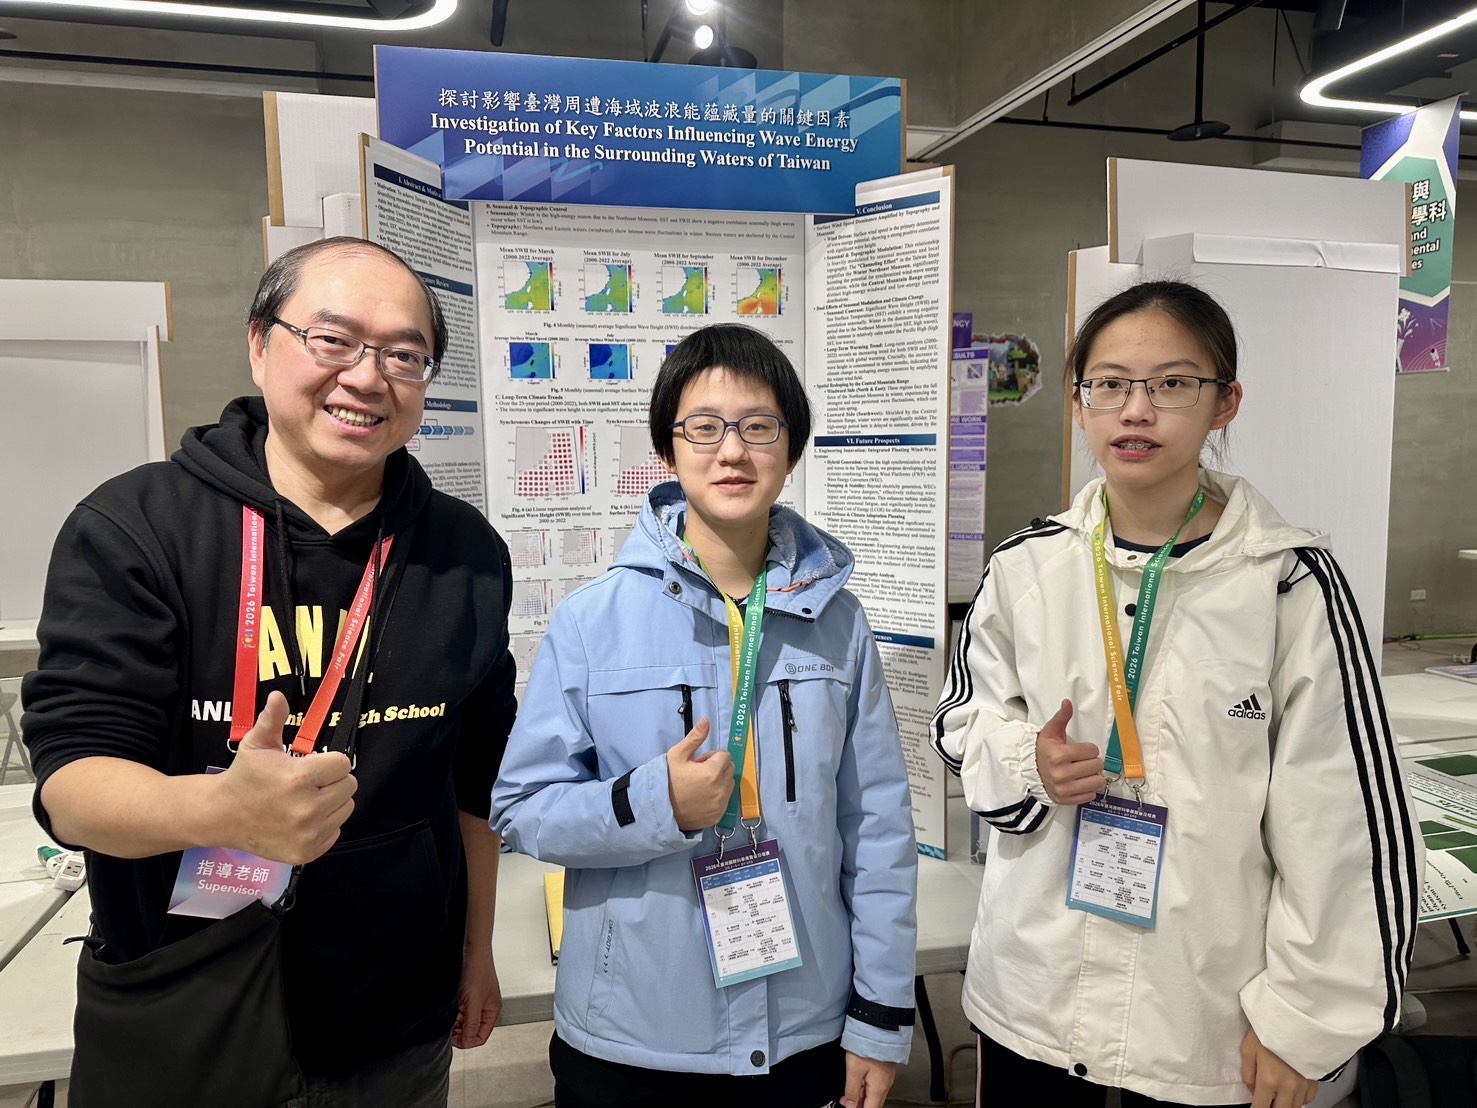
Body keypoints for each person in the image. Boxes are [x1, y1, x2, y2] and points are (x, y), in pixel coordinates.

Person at [23, 237, 516, 1103]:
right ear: (260, 343)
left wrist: (475, 953)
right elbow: (72, 786)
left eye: (403, 355)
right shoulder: (139, 527)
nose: (367, 377)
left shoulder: (462, 552)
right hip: (182, 1010)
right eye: (333, 339)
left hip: (391, 1027)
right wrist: (220, 810)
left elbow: (471, 783)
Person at [931, 281, 1421, 1108]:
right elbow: (960, 719)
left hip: (1203, 1015)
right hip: (1031, 996)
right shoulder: (1025, 567)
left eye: (1171, 383)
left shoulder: (1286, 583)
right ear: (1078, 403)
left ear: (1224, 402)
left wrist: (1304, 1021)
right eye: (1109, 384)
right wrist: (1025, 762)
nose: (1136, 410)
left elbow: (1340, 821)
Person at [492, 323, 918, 1108]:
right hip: (631, 1033)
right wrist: (654, 803)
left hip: (803, 1027)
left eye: (759, 427)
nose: (732, 452)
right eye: (704, 428)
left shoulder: (837, 622)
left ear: (791, 450)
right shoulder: (592, 621)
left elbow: (877, 830)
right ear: (667, 448)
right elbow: (522, 811)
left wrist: (880, 1014)